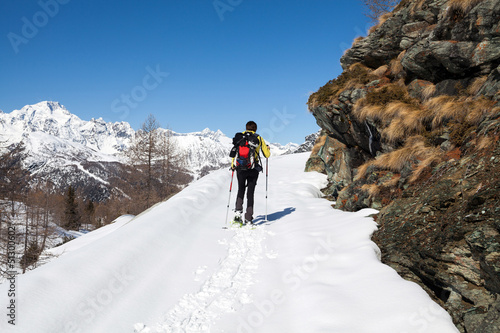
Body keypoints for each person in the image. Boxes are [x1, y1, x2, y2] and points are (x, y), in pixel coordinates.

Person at [231, 121, 271, 224]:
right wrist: (267, 149)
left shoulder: (240, 136)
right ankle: (248, 218)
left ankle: (237, 215)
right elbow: (267, 155)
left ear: (246, 128)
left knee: (241, 189)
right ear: (255, 129)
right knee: (250, 193)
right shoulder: (258, 138)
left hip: (240, 168)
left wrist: (233, 165)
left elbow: (234, 152)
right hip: (253, 169)